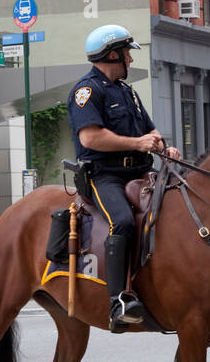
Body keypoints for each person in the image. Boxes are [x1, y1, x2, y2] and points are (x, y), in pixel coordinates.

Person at [69, 23, 181, 331]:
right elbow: (91, 138)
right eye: (127, 54)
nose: (131, 60)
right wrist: (137, 143)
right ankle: (118, 300)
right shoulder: (86, 91)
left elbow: (150, 131)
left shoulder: (127, 92)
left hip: (141, 172)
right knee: (124, 221)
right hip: (105, 177)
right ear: (113, 54)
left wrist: (162, 146)